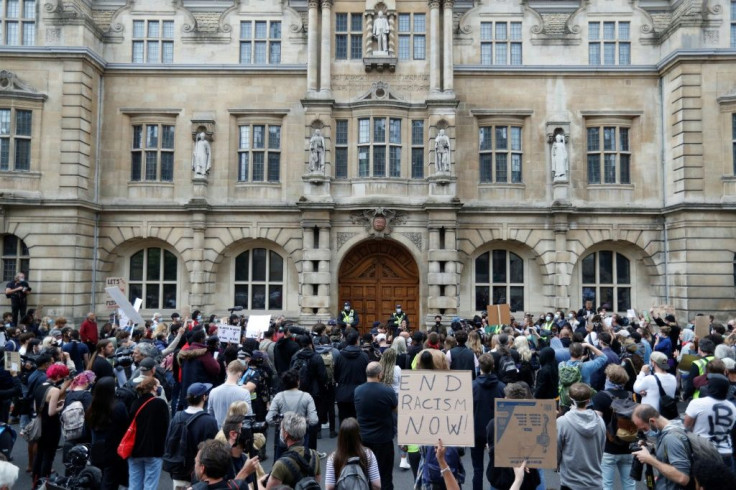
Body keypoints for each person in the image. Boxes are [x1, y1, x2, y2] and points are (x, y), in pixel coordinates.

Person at [591, 364, 637, 490]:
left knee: (607, 484)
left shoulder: (601, 397)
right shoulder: (630, 395)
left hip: (608, 447)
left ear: (609, 378)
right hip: (628, 444)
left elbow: (597, 422)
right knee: (629, 483)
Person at [354, 361, 398, 490]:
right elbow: (397, 410)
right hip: (384, 438)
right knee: (385, 474)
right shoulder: (387, 391)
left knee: (365, 472)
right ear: (380, 374)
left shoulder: (358, 390)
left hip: (363, 438)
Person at [167, 382, 219, 489]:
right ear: (204, 397)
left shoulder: (177, 417)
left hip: (179, 471)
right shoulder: (209, 421)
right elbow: (213, 451)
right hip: (201, 475)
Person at [684, 373, 736, 470]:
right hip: (726, 453)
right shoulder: (732, 407)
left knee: (703, 483)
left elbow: (686, 427)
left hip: (704, 451)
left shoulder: (697, 403)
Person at [126, 376, 170, 490]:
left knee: (134, 484)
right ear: (155, 388)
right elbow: (165, 427)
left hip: (134, 450)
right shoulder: (160, 404)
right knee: (150, 485)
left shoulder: (135, 403)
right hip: (153, 450)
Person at [86, 376, 129, 490]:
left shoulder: (91, 407)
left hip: (96, 449)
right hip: (113, 451)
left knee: (97, 479)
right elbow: (126, 426)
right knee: (110, 481)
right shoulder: (118, 407)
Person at [31, 363, 71, 485]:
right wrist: (62, 406)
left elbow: (35, 407)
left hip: (40, 425)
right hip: (51, 426)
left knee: (39, 454)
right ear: (58, 376)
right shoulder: (54, 390)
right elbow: (51, 412)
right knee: (48, 456)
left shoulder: (40, 386)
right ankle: (44, 482)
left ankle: (35, 481)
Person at [266, 370, 319, 460]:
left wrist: (281, 422)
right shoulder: (306, 396)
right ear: (298, 381)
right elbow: (314, 420)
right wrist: (303, 420)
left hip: (284, 436)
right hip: (301, 436)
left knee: (280, 466)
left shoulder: (279, 396)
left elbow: (269, 419)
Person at [471, 353, 505, 490]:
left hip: (476, 430)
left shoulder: (472, 387)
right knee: (497, 467)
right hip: (497, 432)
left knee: (477, 468)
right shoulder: (502, 387)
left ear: (479, 367)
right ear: (493, 366)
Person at [290, 334, 327, 451]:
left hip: (298, 391)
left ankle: (298, 447)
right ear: (311, 343)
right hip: (314, 393)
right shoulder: (316, 357)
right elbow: (323, 376)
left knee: (298, 419)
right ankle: (311, 450)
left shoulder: (295, 356)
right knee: (312, 422)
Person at [264, 411, 321, 489]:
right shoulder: (314, 455)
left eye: (281, 429)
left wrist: (259, 482)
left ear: (286, 434)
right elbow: (317, 481)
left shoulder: (280, 464)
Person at [323, 417, 380, 490]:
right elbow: (376, 485)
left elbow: (329, 487)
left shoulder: (333, 458)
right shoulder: (368, 454)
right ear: (358, 435)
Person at [334, 330, 369, 423]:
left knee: (344, 421)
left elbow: (336, 374)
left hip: (343, 392)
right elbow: (367, 374)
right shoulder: (364, 356)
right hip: (360, 392)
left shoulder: (339, 356)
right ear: (357, 341)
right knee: (358, 421)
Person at [208, 360, 252, 427]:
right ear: (240, 374)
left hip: (218, 433)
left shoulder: (213, 392)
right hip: (236, 433)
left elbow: (210, 415)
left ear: (226, 370)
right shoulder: (244, 393)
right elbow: (248, 416)